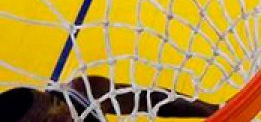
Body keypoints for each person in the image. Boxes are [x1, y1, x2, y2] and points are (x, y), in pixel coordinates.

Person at [0, 76, 219, 121]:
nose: (62, 111)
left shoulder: (82, 93)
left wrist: (212, 111)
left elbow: (151, 99)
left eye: (55, 102)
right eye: (48, 121)